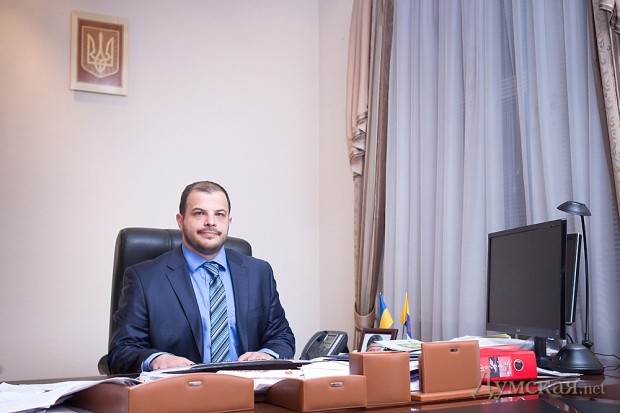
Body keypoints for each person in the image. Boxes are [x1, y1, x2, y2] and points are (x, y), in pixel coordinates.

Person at [108, 181, 295, 374]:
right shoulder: (144, 278)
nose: (211, 222)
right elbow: (122, 351)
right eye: (199, 213)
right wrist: (156, 360)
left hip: (248, 387)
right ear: (180, 221)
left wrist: (267, 355)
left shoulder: (259, 273)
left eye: (219, 214)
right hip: (180, 389)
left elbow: (282, 336)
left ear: (229, 221)